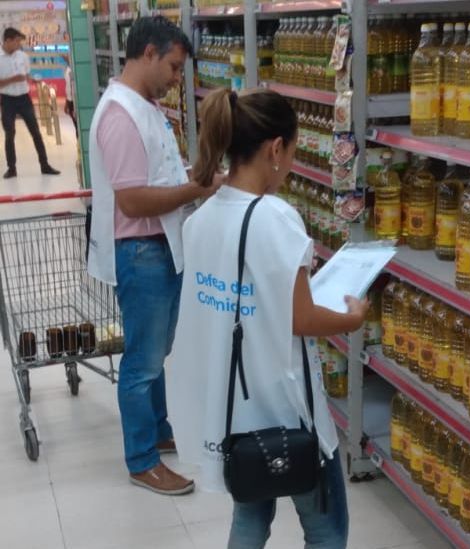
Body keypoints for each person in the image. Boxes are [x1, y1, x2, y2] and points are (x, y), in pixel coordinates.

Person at [167, 88, 369, 548]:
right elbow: (300, 318)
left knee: (250, 516)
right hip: (288, 408)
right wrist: (350, 318)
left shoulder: (200, 219)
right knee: (326, 528)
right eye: (293, 153)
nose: (291, 164)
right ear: (275, 149)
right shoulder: (275, 218)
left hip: (237, 410)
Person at [88, 16, 221, 496]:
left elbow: (157, 176)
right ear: (148, 53)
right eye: (173, 66)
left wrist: (193, 178)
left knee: (157, 353)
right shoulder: (121, 115)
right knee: (142, 363)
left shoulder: (144, 107)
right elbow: (133, 201)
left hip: (160, 245)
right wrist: (197, 189)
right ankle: (142, 460)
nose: (176, 78)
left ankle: (159, 430)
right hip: (140, 251)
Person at [0, 27, 60, 179]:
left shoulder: (23, 56)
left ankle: (45, 165)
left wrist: (31, 79)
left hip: (24, 99)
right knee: (9, 134)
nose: (19, 44)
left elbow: (26, 75)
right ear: (7, 41)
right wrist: (13, 79)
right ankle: (11, 168)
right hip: (7, 100)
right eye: (16, 41)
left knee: (36, 132)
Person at [63, 55, 77, 134]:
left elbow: (72, 88)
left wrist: (72, 105)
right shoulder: (68, 69)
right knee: (76, 125)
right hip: (71, 101)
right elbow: (68, 87)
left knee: (77, 126)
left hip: (74, 102)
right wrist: (67, 102)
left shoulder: (73, 70)